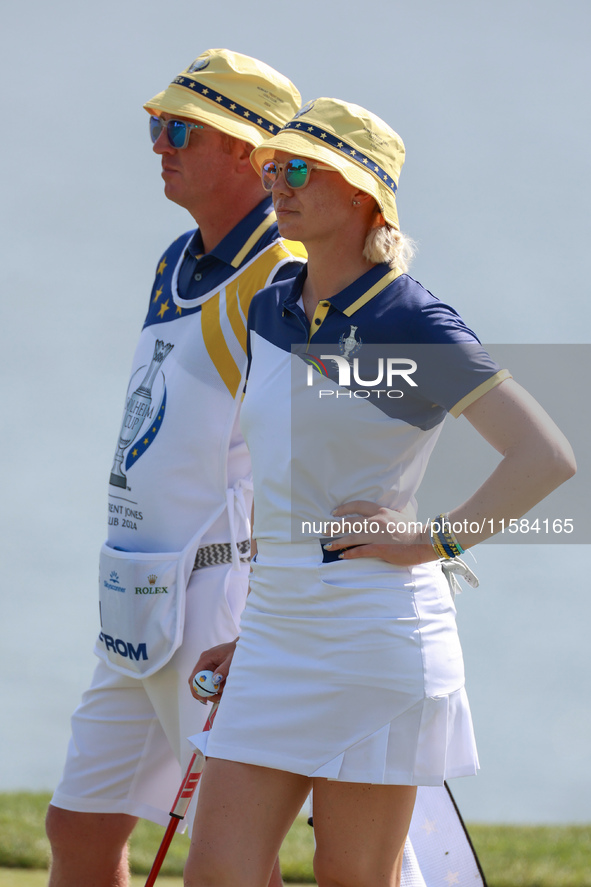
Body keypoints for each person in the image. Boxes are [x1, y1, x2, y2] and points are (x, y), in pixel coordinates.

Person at [185, 97, 576, 887]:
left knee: (354, 879)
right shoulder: (270, 304)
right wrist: (252, 621)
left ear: (364, 194)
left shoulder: (412, 321)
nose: (276, 184)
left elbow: (546, 454)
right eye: (271, 168)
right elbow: (285, 487)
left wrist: (434, 539)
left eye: (298, 169)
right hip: (274, 636)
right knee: (216, 877)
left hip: (374, 641)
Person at [45, 49, 305, 887]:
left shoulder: (285, 275)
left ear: (248, 152)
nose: (159, 144)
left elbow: (317, 458)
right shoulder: (176, 260)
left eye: (180, 129)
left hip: (216, 597)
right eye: (156, 126)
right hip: (137, 590)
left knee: (231, 850)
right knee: (78, 826)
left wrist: (265, 618)